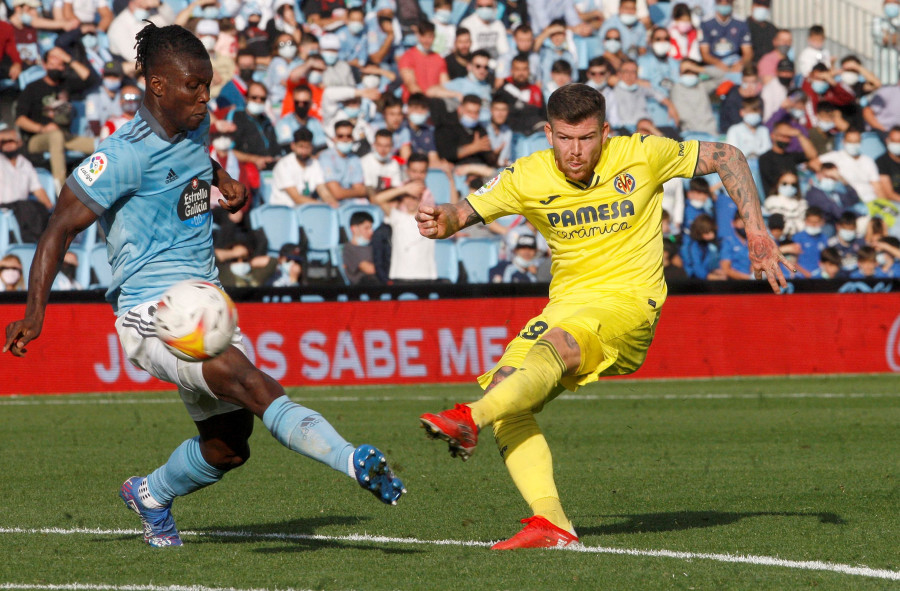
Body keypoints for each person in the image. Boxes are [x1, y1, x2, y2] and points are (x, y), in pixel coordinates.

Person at [3, 23, 405, 549]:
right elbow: (58, 229)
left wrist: (222, 179)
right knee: (247, 381)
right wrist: (36, 314)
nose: (204, 96)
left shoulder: (196, 122)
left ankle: (150, 493)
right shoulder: (121, 156)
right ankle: (352, 459)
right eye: (192, 86)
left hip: (207, 296)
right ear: (158, 87)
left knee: (229, 449)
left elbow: (195, 158)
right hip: (152, 307)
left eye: (207, 85)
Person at [414, 83, 791, 550]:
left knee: (556, 350)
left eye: (587, 138)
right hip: (568, 304)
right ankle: (552, 524)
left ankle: (467, 417)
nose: (576, 151)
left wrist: (756, 230)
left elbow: (728, 155)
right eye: (565, 139)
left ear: (605, 132)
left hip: (631, 303)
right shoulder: (525, 175)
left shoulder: (642, 154)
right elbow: (461, 212)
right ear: (548, 134)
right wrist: (439, 221)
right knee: (506, 387)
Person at [270, 127, 328, 207]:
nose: (304, 151)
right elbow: (297, 198)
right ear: (293, 146)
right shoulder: (284, 165)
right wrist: (323, 205)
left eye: (307, 147)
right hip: (284, 211)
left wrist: (332, 204)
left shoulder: (314, 164)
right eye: (301, 147)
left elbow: (323, 191)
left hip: (306, 209)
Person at [342, 210, 378, 285]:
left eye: (371, 228)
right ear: (354, 229)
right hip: (363, 285)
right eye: (366, 228)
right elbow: (369, 269)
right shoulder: (349, 249)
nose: (371, 232)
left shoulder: (372, 245)